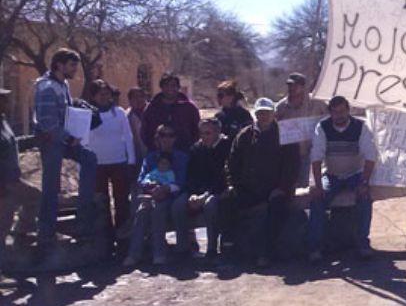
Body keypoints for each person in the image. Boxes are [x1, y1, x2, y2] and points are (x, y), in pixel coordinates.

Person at [33, 48, 97, 243]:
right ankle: (46, 230)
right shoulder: (46, 87)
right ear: (59, 65)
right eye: (71, 65)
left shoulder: (63, 85)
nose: (75, 69)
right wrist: (69, 139)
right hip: (51, 141)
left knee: (89, 158)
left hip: (66, 139)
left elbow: (66, 111)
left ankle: (82, 217)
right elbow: (47, 122)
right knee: (51, 185)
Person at [226, 97, 299, 267]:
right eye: (260, 113)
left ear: (273, 113)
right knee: (226, 204)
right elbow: (232, 163)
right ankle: (229, 249)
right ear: (255, 115)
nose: (264, 116)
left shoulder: (285, 134)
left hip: (276, 189)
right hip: (249, 188)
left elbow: (292, 165)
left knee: (276, 210)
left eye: (267, 112)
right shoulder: (244, 135)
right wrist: (232, 185)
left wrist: (282, 188)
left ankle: (265, 253)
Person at [308, 96, 378, 262]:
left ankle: (362, 243)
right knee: (316, 199)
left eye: (342, 111)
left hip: (355, 173)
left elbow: (370, 156)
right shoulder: (323, 127)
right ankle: (315, 247)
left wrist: (364, 182)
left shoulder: (360, 127)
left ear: (348, 111)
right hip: (332, 174)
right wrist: (318, 186)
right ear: (330, 113)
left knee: (365, 196)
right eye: (335, 112)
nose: (338, 116)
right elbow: (316, 158)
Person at [124, 124, 189, 266]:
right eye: (162, 135)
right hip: (151, 195)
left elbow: (182, 181)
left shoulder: (181, 157)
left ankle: (159, 254)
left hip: (172, 196)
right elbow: (141, 178)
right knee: (141, 212)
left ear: (175, 138)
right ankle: (134, 254)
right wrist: (151, 188)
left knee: (158, 210)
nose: (166, 139)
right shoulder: (150, 158)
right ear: (157, 138)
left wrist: (166, 189)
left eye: (170, 135)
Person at [172, 119, 231, 261]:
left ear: (217, 132)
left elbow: (223, 178)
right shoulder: (196, 149)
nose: (204, 136)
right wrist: (193, 194)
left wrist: (205, 195)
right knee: (178, 204)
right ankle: (183, 248)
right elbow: (191, 176)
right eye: (202, 133)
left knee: (210, 204)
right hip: (198, 191)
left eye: (208, 133)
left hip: (219, 191)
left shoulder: (227, 148)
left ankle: (211, 249)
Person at [86, 79, 137, 239]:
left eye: (107, 94)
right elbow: (83, 140)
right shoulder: (88, 114)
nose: (104, 97)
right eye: (101, 94)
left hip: (118, 162)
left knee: (121, 200)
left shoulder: (119, 113)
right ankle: (105, 237)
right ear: (93, 96)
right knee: (101, 202)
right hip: (97, 164)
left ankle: (122, 235)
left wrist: (132, 160)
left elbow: (128, 137)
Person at [0, 86, 40, 272]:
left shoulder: (4, 121)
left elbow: (13, 144)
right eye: (3, 99)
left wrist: (34, 139)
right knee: (3, 224)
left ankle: (21, 233)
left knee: (33, 198)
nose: (7, 103)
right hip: (5, 183)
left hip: (12, 179)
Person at [275, 72, 327, 188]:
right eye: (289, 85)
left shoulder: (317, 102)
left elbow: (329, 119)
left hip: (313, 151)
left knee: (308, 186)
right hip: (289, 153)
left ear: (303, 87)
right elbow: (275, 127)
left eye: (295, 85)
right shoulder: (281, 106)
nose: (291, 88)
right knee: (290, 185)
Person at [141, 73, 200, 152]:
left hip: (185, 153)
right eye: (166, 85)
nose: (170, 88)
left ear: (178, 87)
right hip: (157, 155)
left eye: (173, 85)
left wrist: (191, 148)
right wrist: (153, 147)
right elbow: (144, 132)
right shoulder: (152, 108)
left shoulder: (189, 108)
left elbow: (197, 130)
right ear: (161, 87)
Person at [126, 87, 148, 167]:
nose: (138, 99)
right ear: (130, 100)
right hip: (135, 155)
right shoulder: (127, 116)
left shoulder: (152, 111)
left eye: (141, 96)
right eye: (135, 97)